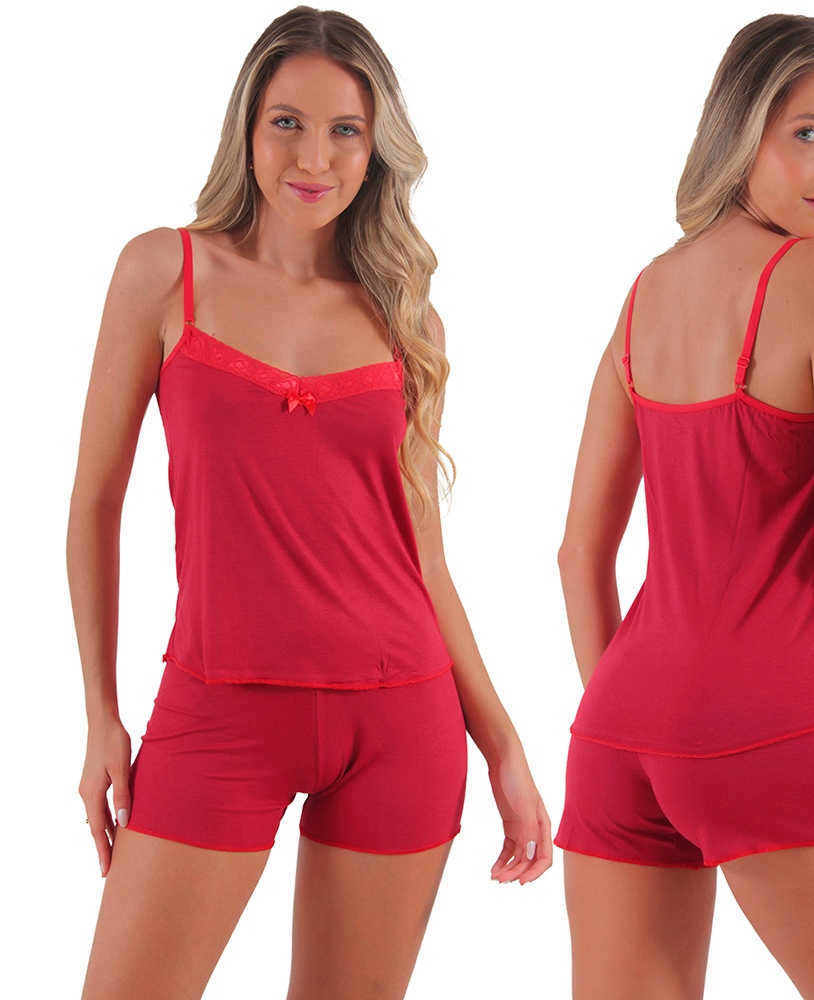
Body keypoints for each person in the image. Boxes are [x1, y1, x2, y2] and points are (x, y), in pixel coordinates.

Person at [66, 7, 551, 998]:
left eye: (345, 131)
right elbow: (94, 503)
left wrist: (500, 741)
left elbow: (423, 558)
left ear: (376, 150)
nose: (314, 157)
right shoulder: (164, 272)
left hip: (401, 718)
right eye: (287, 122)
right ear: (247, 126)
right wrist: (100, 714)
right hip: (217, 712)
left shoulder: (406, 317)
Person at [554, 13, 814, 1000]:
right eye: (806, 133)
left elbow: (577, 552)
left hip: (618, 735)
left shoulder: (648, 290)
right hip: (781, 722)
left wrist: (649, 725)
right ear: (740, 129)